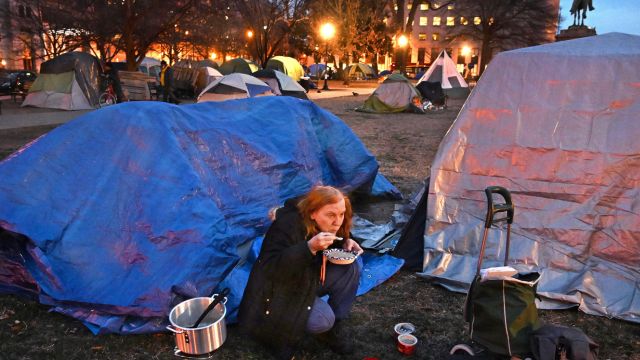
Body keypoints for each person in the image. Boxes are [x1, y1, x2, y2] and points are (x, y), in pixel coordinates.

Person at [238, 186, 364, 360]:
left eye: (341, 214)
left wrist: (348, 241)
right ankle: (282, 337)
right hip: (278, 293)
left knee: (351, 267)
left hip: (309, 277)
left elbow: (342, 232)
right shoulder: (286, 226)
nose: (338, 222)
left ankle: (334, 328)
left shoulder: (332, 222)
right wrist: (309, 248)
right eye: (331, 215)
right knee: (322, 321)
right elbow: (270, 269)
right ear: (312, 213)